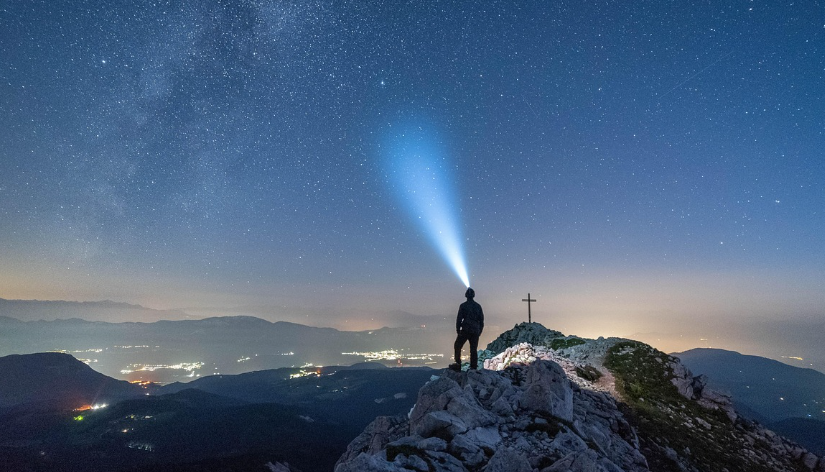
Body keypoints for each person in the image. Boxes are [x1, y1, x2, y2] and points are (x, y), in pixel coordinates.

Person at [451, 287, 484, 370]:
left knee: (457, 346)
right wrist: (479, 331)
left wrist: (458, 330)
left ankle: (458, 364)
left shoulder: (463, 306)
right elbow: (481, 320)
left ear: (466, 295)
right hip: (475, 330)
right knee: (473, 349)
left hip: (465, 329)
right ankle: (473, 367)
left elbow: (459, 319)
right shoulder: (478, 306)